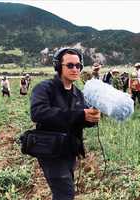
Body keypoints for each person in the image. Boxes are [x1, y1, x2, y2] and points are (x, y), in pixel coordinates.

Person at [30, 48, 101, 200]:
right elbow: (38, 113)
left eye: (78, 66)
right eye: (70, 65)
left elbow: (78, 120)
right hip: (51, 150)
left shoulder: (78, 94)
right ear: (58, 67)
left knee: (63, 193)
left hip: (70, 151)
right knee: (65, 194)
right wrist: (81, 114)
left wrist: (91, 119)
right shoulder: (44, 88)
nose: (75, 69)